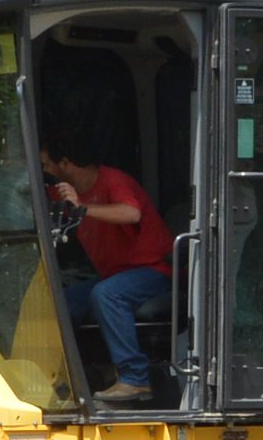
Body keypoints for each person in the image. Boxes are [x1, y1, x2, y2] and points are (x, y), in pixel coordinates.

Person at [39, 138, 173, 406]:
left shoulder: (113, 180)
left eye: (46, 165)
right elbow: (31, 194)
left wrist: (83, 209)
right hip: (116, 274)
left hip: (154, 270)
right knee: (61, 301)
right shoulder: (67, 191)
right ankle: (75, 375)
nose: (44, 171)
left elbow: (131, 213)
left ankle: (135, 378)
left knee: (106, 295)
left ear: (65, 163)